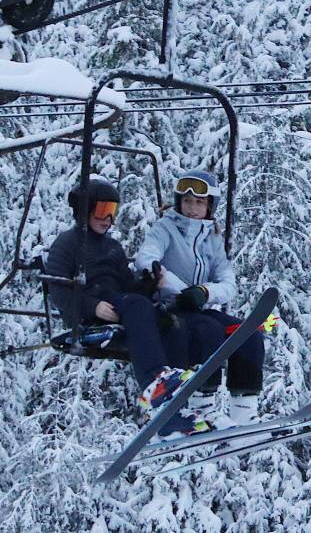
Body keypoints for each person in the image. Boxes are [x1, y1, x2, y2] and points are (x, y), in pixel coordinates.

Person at [46, 177, 211, 435]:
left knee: (172, 322)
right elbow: (57, 290)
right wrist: (92, 306)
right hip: (90, 312)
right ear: (83, 209)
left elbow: (126, 285)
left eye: (112, 212)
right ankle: (154, 382)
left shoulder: (112, 246)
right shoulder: (68, 244)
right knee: (137, 305)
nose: (107, 219)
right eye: (101, 211)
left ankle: (173, 409)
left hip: (121, 303)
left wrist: (149, 283)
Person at [135, 170, 265, 427]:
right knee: (208, 330)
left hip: (198, 307)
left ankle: (244, 410)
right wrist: (178, 288)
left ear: (209, 206)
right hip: (168, 309)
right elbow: (146, 258)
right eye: (187, 201)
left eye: (199, 202)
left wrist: (204, 292)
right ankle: (202, 406)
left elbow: (227, 282)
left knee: (248, 334)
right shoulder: (166, 228)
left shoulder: (211, 237)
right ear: (179, 202)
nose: (192, 208)